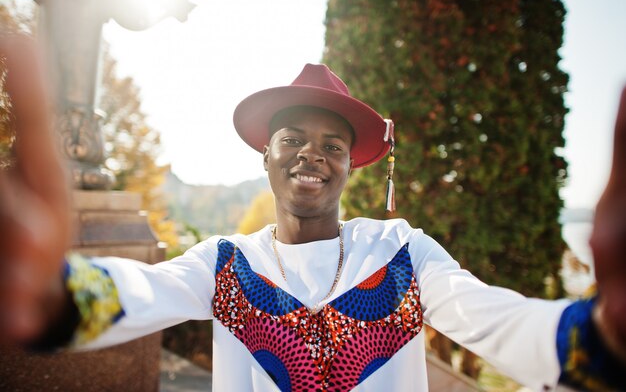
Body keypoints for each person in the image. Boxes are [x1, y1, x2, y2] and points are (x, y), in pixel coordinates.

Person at [0, 37, 625, 391]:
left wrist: (601, 337)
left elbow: (492, 317)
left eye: (332, 145)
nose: (312, 155)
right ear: (264, 156)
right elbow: (142, 290)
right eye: (292, 139)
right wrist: (54, 293)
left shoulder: (401, 254)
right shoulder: (227, 264)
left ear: (351, 166)